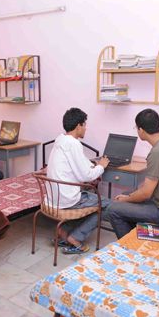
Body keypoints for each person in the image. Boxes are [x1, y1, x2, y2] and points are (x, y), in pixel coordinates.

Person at [107, 109, 159, 239]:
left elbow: (146, 193)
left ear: (141, 130)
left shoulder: (157, 153)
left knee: (113, 209)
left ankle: (130, 246)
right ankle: (140, 236)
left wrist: (126, 200)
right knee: (126, 195)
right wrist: (128, 197)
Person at [46, 107, 110, 254]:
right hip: (66, 199)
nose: (86, 128)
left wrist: (93, 164)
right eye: (85, 125)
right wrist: (102, 166)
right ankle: (75, 238)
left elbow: (77, 163)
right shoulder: (74, 144)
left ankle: (64, 232)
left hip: (53, 198)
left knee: (89, 197)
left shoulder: (60, 140)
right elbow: (86, 176)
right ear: (78, 126)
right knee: (105, 203)